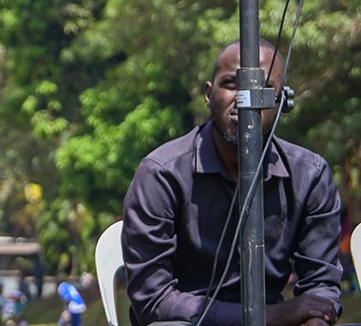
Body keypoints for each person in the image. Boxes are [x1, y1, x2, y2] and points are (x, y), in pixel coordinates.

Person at [122, 39, 343, 326]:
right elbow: (153, 301)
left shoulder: (310, 176)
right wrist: (270, 317)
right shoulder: (161, 173)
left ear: (282, 101)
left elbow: (322, 288)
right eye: (231, 84)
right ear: (208, 94)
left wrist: (314, 319)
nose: (244, 99)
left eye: (261, 89)